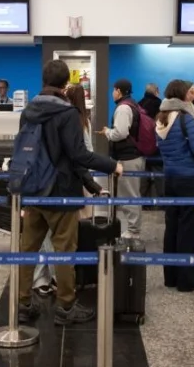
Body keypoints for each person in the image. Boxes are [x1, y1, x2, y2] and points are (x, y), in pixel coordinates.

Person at [17, 60, 121, 325]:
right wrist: (111, 165)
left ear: (44, 80)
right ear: (65, 83)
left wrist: (92, 185)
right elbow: (78, 155)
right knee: (64, 250)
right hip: (60, 191)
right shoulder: (67, 113)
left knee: (28, 248)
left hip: (33, 189)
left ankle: (23, 303)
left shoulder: (28, 111)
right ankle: (65, 306)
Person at [155, 79, 194, 294]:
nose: (192, 96)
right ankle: (188, 280)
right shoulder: (185, 118)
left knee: (172, 228)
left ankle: (171, 277)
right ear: (181, 95)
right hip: (190, 179)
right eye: (189, 93)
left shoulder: (161, 118)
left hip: (170, 179)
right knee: (189, 230)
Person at [101, 79, 145, 240]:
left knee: (129, 195)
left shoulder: (123, 108)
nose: (112, 93)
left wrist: (107, 132)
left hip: (127, 158)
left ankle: (133, 231)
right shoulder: (132, 104)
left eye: (113, 90)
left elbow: (120, 133)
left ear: (118, 91)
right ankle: (133, 229)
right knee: (131, 194)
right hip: (133, 156)